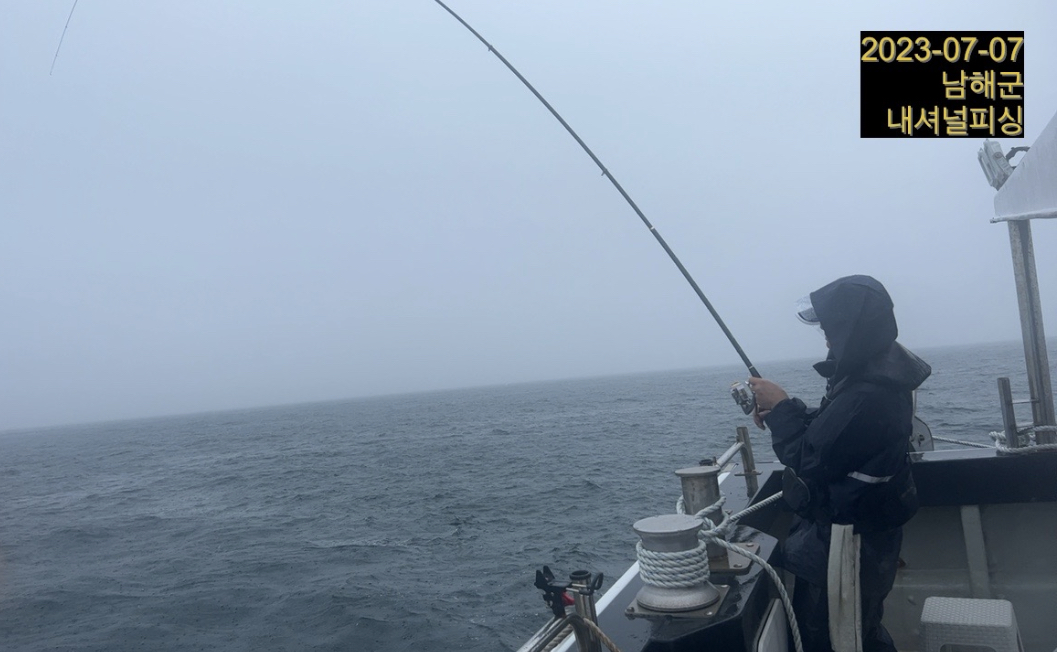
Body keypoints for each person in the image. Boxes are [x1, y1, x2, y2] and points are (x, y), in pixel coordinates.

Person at [748, 275, 931, 652]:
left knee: (837, 639)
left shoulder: (868, 395)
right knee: (861, 632)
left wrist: (780, 409)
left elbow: (807, 458)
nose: (828, 339)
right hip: (861, 536)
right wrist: (788, 409)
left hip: (848, 544)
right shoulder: (876, 375)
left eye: (832, 329)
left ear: (855, 330)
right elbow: (833, 431)